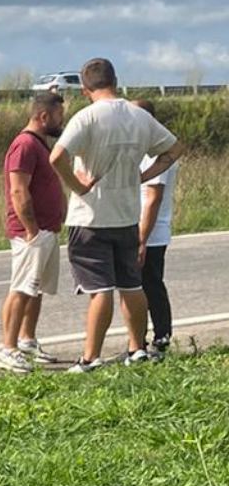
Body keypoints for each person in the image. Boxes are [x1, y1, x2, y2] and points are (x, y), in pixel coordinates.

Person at [49, 58, 186, 372]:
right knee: (131, 285)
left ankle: (90, 357)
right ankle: (137, 347)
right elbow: (175, 149)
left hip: (91, 216)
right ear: (115, 80)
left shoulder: (87, 117)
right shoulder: (139, 116)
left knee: (99, 290)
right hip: (127, 215)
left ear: (86, 89)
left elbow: (57, 157)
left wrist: (77, 185)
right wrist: (145, 174)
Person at [0, 93, 67, 373]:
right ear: (44, 116)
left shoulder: (40, 144)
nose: (62, 121)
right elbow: (17, 189)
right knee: (22, 288)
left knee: (35, 289)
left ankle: (26, 341)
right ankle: (8, 348)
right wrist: (31, 229)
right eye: (59, 115)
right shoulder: (24, 145)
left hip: (46, 229)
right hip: (32, 233)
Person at [132, 99, 178, 352]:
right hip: (141, 228)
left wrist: (141, 239)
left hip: (150, 231)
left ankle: (160, 337)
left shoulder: (156, 151)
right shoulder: (143, 148)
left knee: (149, 285)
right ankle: (139, 340)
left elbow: (153, 197)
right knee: (140, 286)